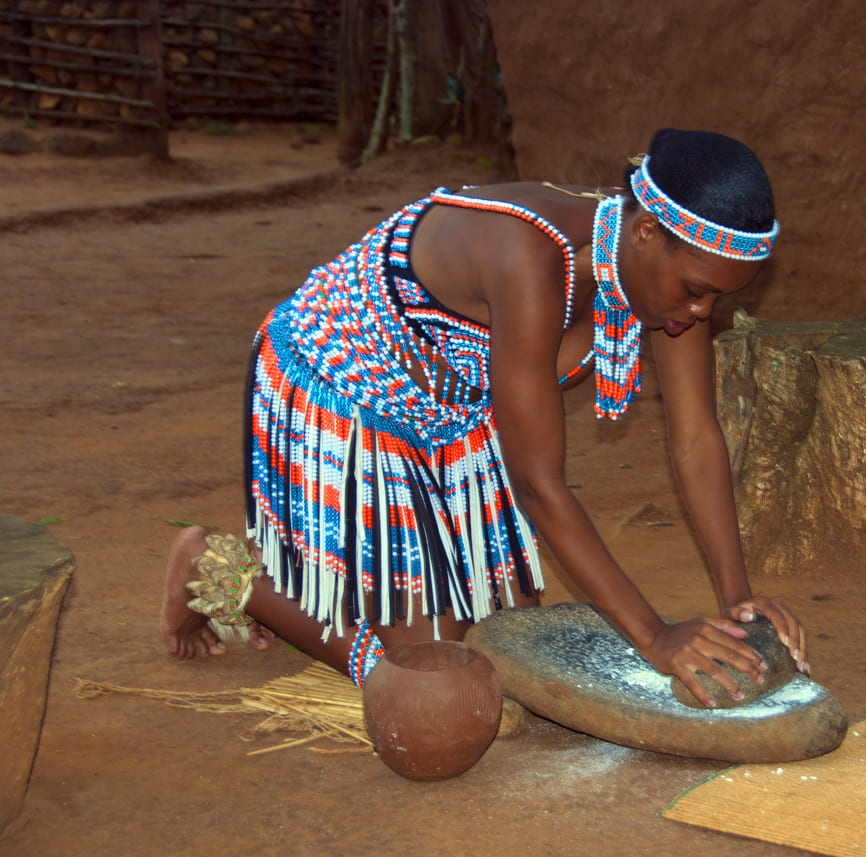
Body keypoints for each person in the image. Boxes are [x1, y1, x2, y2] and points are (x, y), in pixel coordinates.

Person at [160, 128, 808, 708]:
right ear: (644, 233)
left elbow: (696, 438)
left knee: (509, 642)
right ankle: (221, 570)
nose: (701, 312)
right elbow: (537, 486)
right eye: (698, 290)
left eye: (718, 297)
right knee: (443, 673)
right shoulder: (528, 257)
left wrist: (737, 600)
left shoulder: (671, 286)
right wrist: (657, 636)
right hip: (342, 381)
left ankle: (354, 583)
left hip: (449, 414)